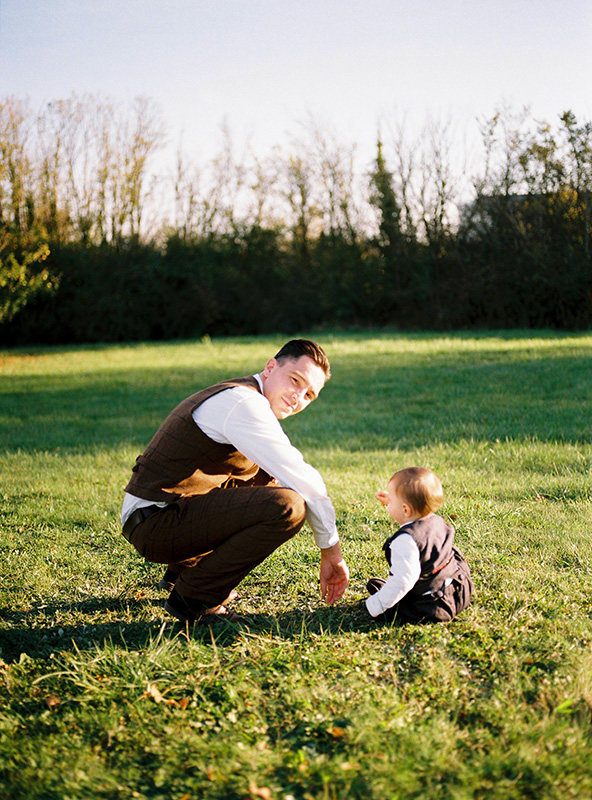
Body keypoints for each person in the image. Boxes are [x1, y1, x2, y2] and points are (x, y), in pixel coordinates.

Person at [120, 339, 349, 625]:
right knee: (288, 506)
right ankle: (195, 597)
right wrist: (331, 552)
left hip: (158, 517)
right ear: (270, 367)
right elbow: (305, 480)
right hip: (154, 524)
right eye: (295, 380)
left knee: (267, 480)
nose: (297, 397)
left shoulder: (247, 396)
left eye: (309, 395)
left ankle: (182, 572)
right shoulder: (243, 402)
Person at [364, 467, 473, 624]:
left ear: (405, 509)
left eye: (392, 499)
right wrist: (392, 501)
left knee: (390, 607)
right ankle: (389, 594)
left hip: (433, 607)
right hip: (460, 589)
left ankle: (385, 600)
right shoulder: (436, 521)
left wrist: (375, 606)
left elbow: (404, 579)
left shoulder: (407, 540)